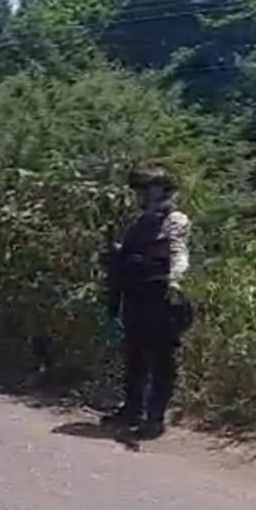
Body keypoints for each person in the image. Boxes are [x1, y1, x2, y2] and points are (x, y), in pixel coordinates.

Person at [101, 167, 193, 440]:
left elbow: (179, 252)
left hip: (161, 297)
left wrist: (176, 283)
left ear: (162, 190)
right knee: (135, 356)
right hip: (136, 297)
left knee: (161, 360)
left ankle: (154, 418)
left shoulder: (174, 219)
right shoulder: (140, 221)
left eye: (146, 188)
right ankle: (132, 409)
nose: (140, 194)